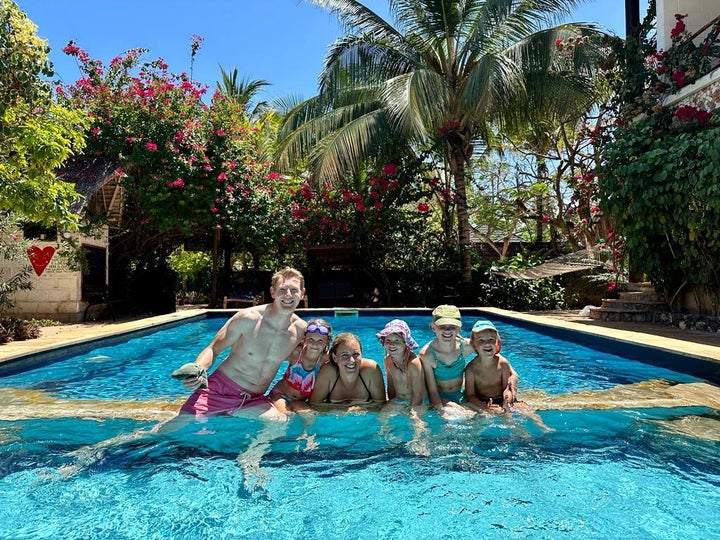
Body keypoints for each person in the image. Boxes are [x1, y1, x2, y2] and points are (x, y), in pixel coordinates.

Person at [172, 267, 307, 418]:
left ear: (302, 293)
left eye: (294, 290)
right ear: (272, 292)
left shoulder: (301, 331)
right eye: (282, 289)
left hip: (252, 399)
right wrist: (198, 369)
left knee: (278, 422)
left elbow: (317, 359)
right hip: (218, 391)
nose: (288, 295)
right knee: (170, 432)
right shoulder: (248, 318)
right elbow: (213, 349)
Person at [268, 318, 332, 414]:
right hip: (280, 395)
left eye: (320, 341)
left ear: (327, 342)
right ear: (304, 338)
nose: (315, 344)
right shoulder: (296, 353)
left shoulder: (326, 359)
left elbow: (345, 360)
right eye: (311, 339)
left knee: (309, 415)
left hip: (300, 401)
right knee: (285, 416)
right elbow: (270, 354)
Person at [418, 305, 474, 411]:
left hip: (461, 395)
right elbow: (432, 392)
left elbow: (491, 353)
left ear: (459, 328)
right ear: (433, 327)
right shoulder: (427, 355)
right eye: (442, 326)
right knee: (454, 417)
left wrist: (512, 375)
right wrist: (440, 409)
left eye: (452, 327)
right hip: (439, 398)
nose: (447, 330)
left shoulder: (466, 346)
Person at [309, 332, 386, 405]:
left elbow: (381, 405)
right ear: (335, 358)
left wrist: (350, 408)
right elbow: (314, 405)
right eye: (345, 355)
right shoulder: (328, 372)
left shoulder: (371, 370)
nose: (351, 361)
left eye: (356, 354)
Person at [463, 320, 518, 412]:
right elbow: (470, 396)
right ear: (474, 345)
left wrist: (507, 400)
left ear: (497, 343)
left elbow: (506, 388)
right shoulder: (471, 369)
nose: (487, 344)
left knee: (527, 411)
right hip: (481, 401)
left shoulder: (503, 363)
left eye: (491, 340)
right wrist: (484, 407)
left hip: (502, 399)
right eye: (481, 340)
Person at [376, 319, 426, 406]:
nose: (392, 345)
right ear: (383, 342)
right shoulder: (387, 360)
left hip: (419, 402)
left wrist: (412, 410)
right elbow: (391, 389)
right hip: (399, 401)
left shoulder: (413, 363)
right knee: (382, 418)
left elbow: (417, 394)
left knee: (414, 419)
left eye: (397, 341)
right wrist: (390, 404)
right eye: (388, 340)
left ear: (405, 343)